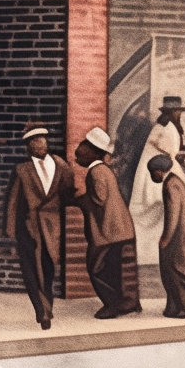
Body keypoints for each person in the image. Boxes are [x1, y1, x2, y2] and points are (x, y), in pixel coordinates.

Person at [3, 122, 74, 330]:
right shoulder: (22, 170)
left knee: (48, 267)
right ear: (28, 146)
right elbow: (13, 201)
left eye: (42, 139)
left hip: (53, 227)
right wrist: (10, 232)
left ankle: (47, 305)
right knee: (32, 269)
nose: (39, 143)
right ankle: (42, 311)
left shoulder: (60, 165)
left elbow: (68, 191)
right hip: (28, 227)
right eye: (34, 141)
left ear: (47, 141)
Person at [74, 127, 141, 319]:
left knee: (97, 268)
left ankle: (113, 304)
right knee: (119, 268)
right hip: (121, 229)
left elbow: (100, 198)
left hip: (108, 232)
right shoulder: (104, 170)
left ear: (93, 150)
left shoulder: (96, 172)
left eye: (83, 147)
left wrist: (78, 200)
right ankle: (127, 302)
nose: (79, 152)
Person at [129, 96, 185, 265]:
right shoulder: (165, 127)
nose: (179, 114)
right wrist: (182, 157)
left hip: (162, 166)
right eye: (177, 111)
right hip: (157, 171)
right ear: (172, 113)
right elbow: (168, 152)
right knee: (167, 204)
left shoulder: (168, 127)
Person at [148, 154, 185, 319]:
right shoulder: (173, 181)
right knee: (175, 269)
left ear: (158, 171)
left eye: (152, 173)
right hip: (182, 233)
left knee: (179, 270)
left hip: (180, 235)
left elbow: (174, 214)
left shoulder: (171, 184)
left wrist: (166, 237)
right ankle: (175, 305)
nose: (152, 176)